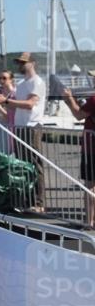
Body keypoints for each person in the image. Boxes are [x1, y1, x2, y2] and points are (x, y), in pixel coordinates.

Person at [0, 52, 47, 213]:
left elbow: (30, 104)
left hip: (32, 126)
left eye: (23, 62)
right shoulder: (22, 84)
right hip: (20, 127)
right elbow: (12, 106)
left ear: (33, 63)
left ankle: (39, 202)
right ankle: (27, 200)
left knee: (34, 164)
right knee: (23, 165)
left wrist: (6, 101)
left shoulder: (37, 82)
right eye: (19, 62)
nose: (20, 65)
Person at [61, 80, 95, 228]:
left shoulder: (93, 100)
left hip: (91, 149)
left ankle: (89, 221)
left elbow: (79, 115)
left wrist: (69, 100)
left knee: (90, 186)